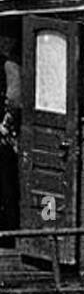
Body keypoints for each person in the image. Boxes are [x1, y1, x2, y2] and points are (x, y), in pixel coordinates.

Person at [0, 36, 21, 239]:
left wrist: (5, 124)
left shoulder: (9, 65)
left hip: (6, 135)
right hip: (6, 133)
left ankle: (11, 229)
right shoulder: (9, 64)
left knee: (7, 183)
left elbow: (14, 98)